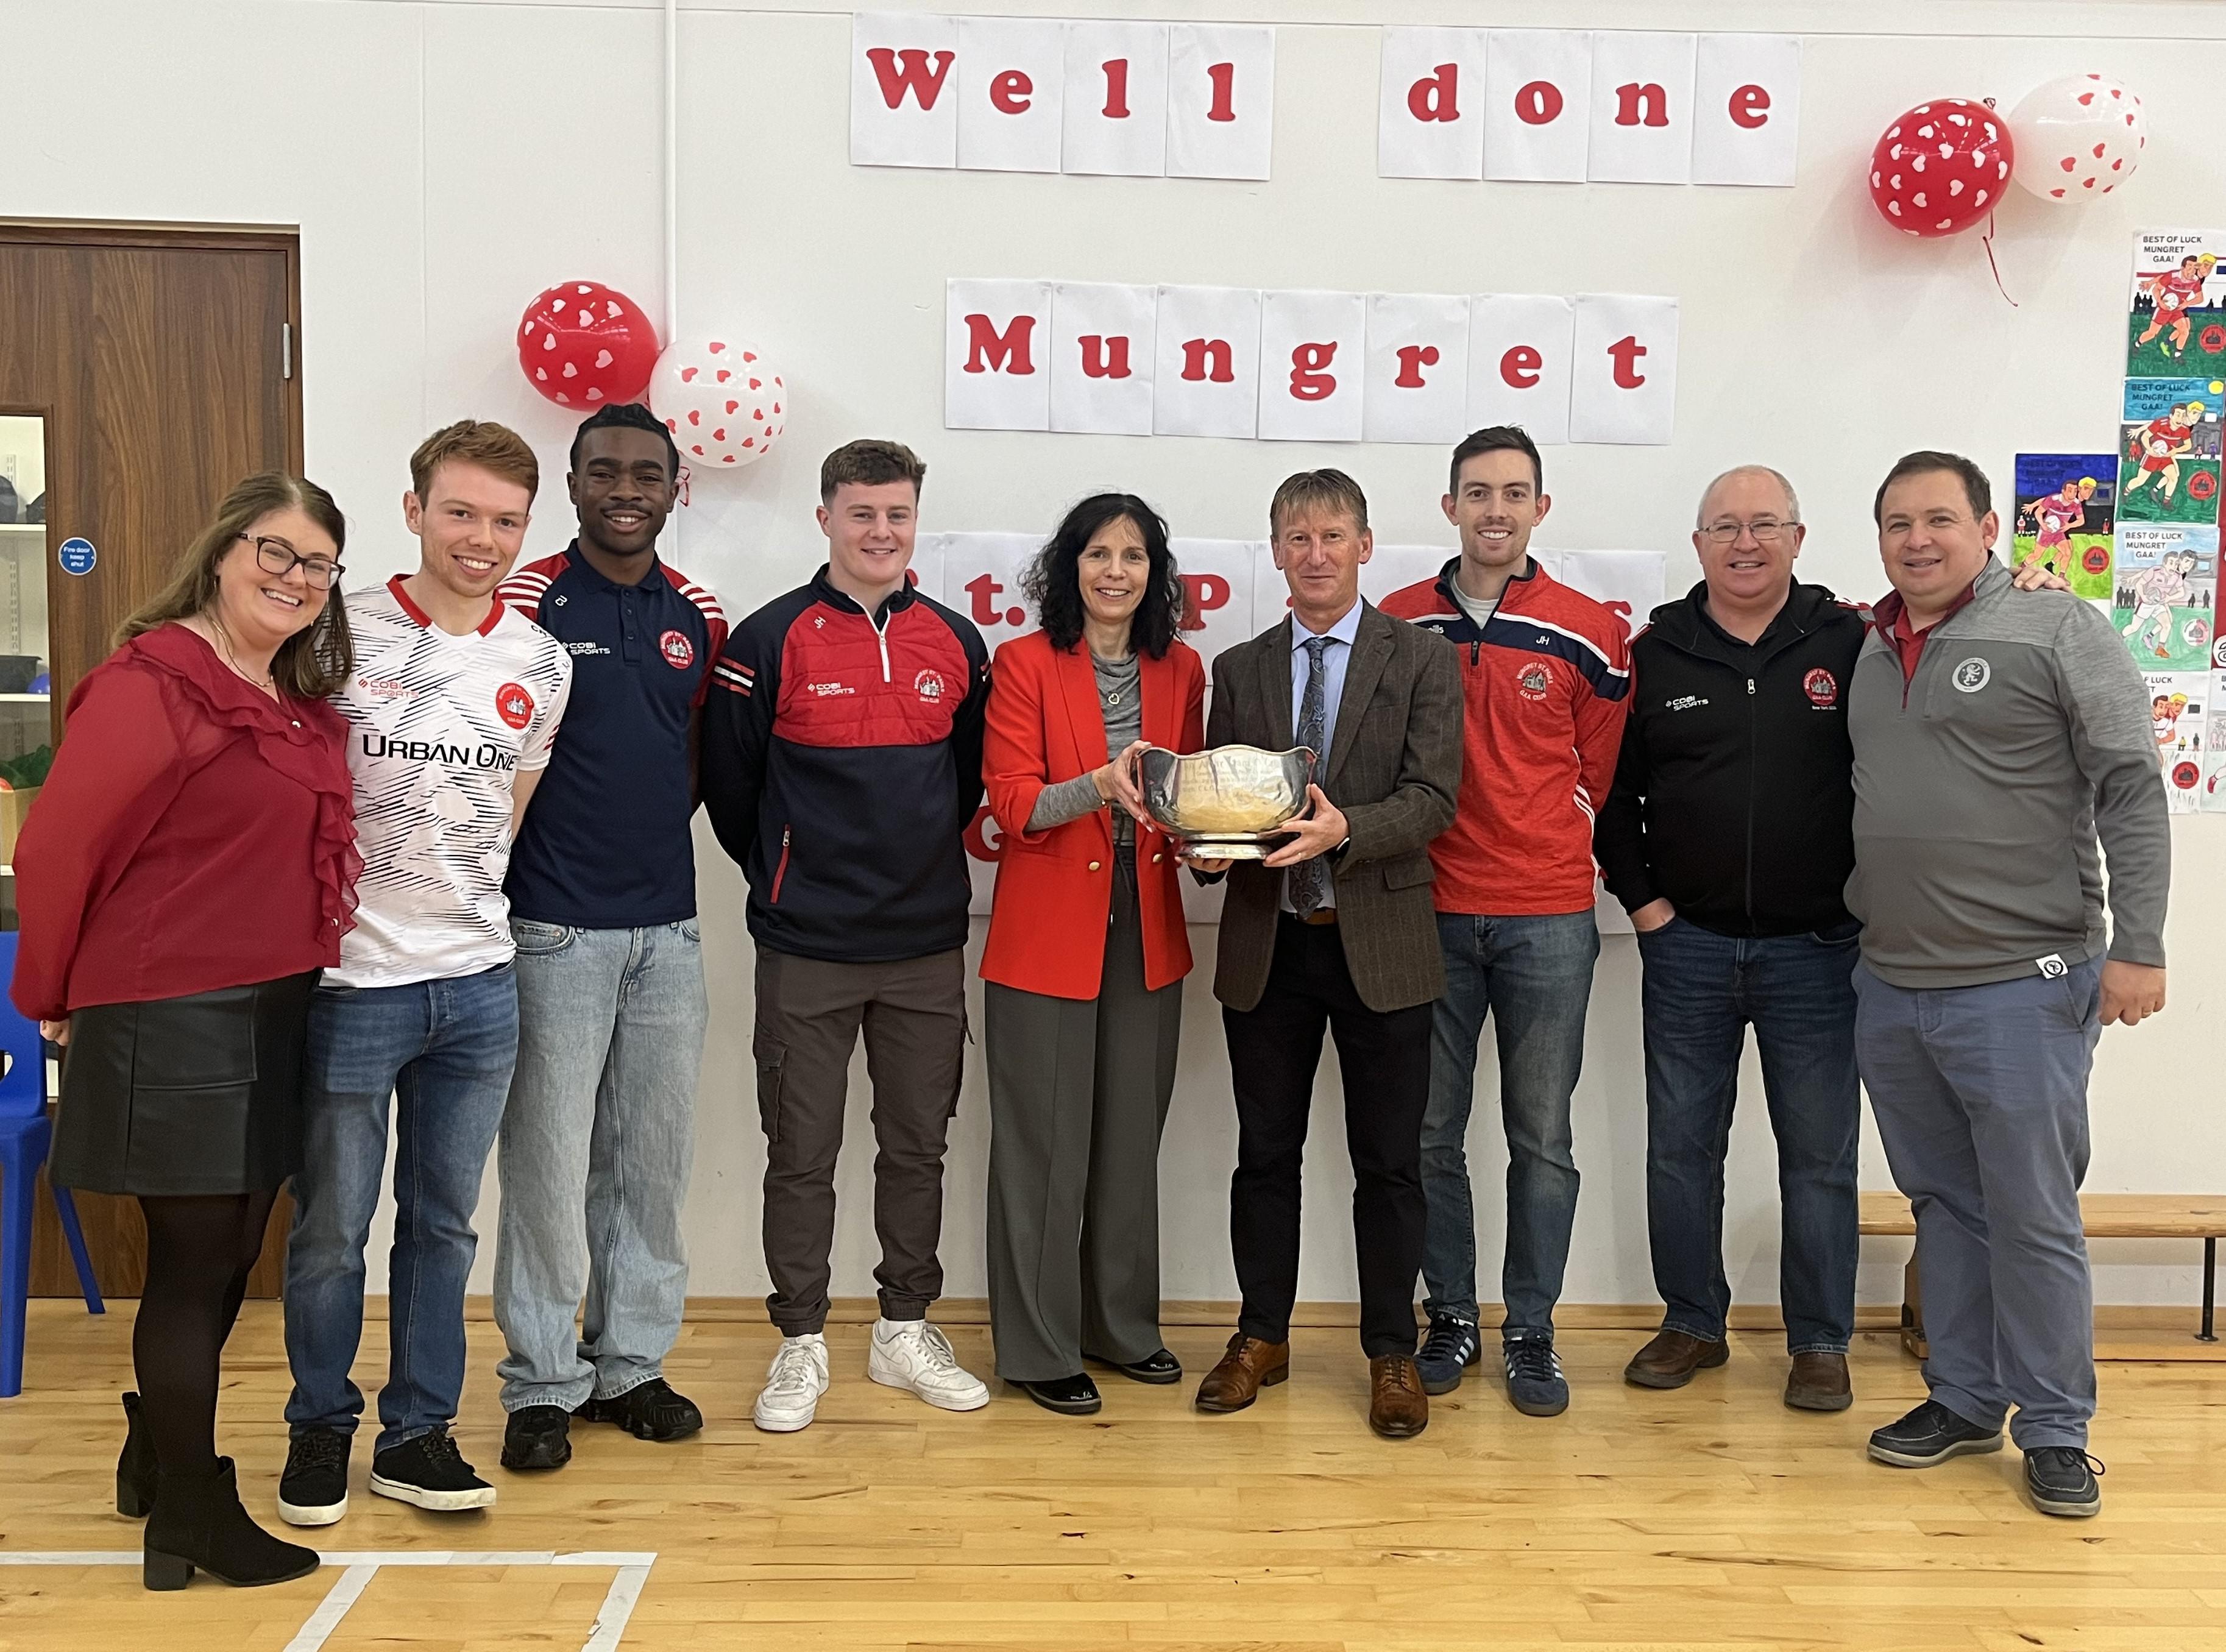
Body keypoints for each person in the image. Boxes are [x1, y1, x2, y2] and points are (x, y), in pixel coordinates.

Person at [10, 473, 357, 1590]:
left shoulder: (288, 696)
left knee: (233, 1253)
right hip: (172, 1009)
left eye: (317, 564)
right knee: (190, 1265)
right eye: (274, 551)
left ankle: (155, 1450)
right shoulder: (150, 683)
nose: (295, 578)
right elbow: (59, 850)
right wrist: (50, 992)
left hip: (273, 1005)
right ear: (221, 552)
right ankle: (191, 1513)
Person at [1850, 450, 2170, 1520]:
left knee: (2030, 1212)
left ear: (1989, 530)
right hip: (1892, 982)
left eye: (1939, 518)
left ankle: (2055, 1426)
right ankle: (1964, 1394)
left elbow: (2130, 785)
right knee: (1945, 1205)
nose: (1917, 540)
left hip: (2022, 984)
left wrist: (2140, 943)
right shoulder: (1867, 641)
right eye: (1897, 523)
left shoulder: (2058, 624)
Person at [277, 422, 570, 1525]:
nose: (480, 539)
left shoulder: (540, 664)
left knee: (443, 1226)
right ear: (413, 511)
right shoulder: (332, 632)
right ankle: (319, 1425)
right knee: (331, 1228)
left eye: (505, 521)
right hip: (351, 984)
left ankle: (418, 1434)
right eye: (460, 512)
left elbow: (503, 823)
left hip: (480, 986)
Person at [701, 439, 993, 1433]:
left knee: (917, 1146)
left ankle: (903, 1327)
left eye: (896, 514)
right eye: (861, 512)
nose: (880, 531)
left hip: (923, 944)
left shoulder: (957, 641)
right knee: (801, 1151)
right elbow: (732, 792)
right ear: (824, 517)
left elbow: (963, 783)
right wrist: (791, 873)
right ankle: (800, 1339)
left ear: (916, 522)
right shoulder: (766, 639)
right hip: (806, 946)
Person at [1190, 469, 1461, 1441]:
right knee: (1264, 1155)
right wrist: (1208, 846)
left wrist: (1347, 829)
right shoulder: (1240, 668)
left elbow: (1434, 797)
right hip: (1269, 948)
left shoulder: (1421, 657)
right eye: (1297, 538)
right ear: (1275, 551)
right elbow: (1223, 800)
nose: (1315, 554)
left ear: (1364, 545)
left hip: (1381, 944)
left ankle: (1392, 1348)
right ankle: (1261, 1334)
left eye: (1332, 536)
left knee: (1390, 1163)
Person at [1592, 466, 1865, 1411]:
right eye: (1724, 527)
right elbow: (1611, 796)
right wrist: (1645, 906)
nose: (1744, 542)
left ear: (1798, 537)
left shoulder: (1852, 642)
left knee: (1820, 1157)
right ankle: (1692, 1322)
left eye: (1763, 524)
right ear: (1699, 543)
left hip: (1819, 951)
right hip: (1690, 948)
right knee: (1680, 1149)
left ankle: (1820, 1339)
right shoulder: (1655, 653)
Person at [489, 403, 727, 1471]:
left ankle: (629, 1365)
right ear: (573, 482)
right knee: (547, 1165)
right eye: (604, 471)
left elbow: (691, 758)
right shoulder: (527, 600)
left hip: (667, 930)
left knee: (649, 1166)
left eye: (646, 473)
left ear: (676, 488)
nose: (625, 489)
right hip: (551, 927)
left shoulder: (699, 613)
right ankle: (543, 1381)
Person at [1378, 427, 1631, 1417]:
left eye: (1514, 493)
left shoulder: (1588, 630)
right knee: (1428, 1134)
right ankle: (1448, 1315)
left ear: (1540, 508)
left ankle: (1531, 1328)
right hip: (1427, 911)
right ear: (1449, 507)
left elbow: (1600, 771)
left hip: (1547, 917)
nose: (1495, 510)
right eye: (1477, 492)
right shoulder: (1399, 620)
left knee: (1542, 1139)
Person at [976, 494, 1207, 1415]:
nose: (1116, 570)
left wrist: (1213, 841)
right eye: (1099, 553)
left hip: (1147, 924)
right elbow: (1012, 803)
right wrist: (1101, 785)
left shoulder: (1180, 667)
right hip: (1045, 928)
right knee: (1043, 1145)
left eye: (1134, 555)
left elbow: (1186, 796)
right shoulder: (1024, 662)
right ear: (1068, 566)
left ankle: (1120, 1325)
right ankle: (1037, 1347)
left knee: (1127, 1137)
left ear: (1156, 572)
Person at [2136, 253, 2211, 358]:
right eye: (2189, 267)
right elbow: (2157, 288)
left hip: (2177, 310)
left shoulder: (2196, 281)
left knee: (2185, 331)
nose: (2191, 271)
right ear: (2182, 268)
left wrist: (2187, 303)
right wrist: (2160, 301)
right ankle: (2137, 345)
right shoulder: (2173, 276)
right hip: (2164, 309)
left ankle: (2177, 356)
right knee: (2152, 334)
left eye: (2194, 268)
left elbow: (2200, 298)